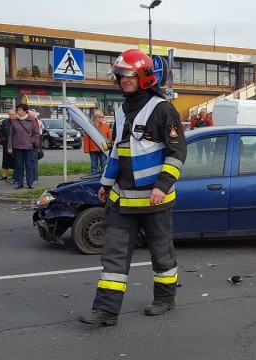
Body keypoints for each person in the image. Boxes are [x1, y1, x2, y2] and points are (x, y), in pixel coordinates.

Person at [78, 49, 187, 327]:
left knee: (162, 253)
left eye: (128, 75)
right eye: (120, 76)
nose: (123, 80)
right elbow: (118, 151)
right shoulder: (121, 111)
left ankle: (165, 298)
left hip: (155, 200)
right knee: (113, 258)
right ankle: (105, 311)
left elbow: (177, 153)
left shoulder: (163, 109)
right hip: (122, 199)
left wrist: (162, 186)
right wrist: (105, 182)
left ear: (144, 76)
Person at [7, 103, 40, 189]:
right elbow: (11, 136)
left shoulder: (31, 121)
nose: (18, 112)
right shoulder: (15, 122)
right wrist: (10, 147)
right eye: (17, 110)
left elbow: (36, 134)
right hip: (17, 147)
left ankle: (30, 183)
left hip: (28, 147)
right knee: (19, 165)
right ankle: (20, 183)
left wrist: (31, 141)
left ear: (25, 111)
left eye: (20, 110)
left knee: (29, 165)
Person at [0, 110, 17, 182]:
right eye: (10, 114)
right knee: (6, 159)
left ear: (16, 114)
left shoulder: (18, 122)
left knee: (16, 160)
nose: (11, 116)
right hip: (6, 143)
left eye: (13, 114)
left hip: (16, 144)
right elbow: (0, 131)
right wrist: (3, 139)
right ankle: (4, 175)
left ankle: (15, 175)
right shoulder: (5, 122)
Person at [29, 110, 42, 184]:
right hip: (34, 145)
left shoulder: (34, 123)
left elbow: (37, 134)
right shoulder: (37, 122)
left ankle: (35, 178)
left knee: (33, 163)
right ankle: (33, 178)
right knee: (32, 163)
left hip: (33, 146)